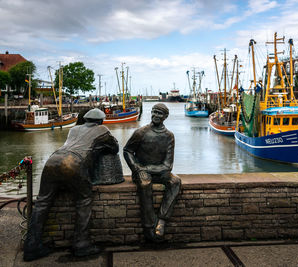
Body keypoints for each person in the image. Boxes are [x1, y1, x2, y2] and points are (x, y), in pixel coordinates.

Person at [24, 108, 119, 261]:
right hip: (74, 163)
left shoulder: (74, 129)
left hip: (52, 160)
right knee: (84, 199)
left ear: (86, 119)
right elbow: (115, 148)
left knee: (42, 203)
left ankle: (31, 246)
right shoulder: (103, 130)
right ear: (100, 120)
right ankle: (81, 244)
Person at [123, 103, 181, 242]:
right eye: (154, 112)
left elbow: (168, 165)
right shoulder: (141, 132)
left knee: (175, 181)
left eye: (159, 113)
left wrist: (146, 168)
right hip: (141, 171)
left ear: (165, 116)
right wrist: (137, 168)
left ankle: (161, 220)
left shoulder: (169, 136)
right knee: (145, 183)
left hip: (159, 171)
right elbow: (127, 151)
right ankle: (149, 226)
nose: (156, 115)